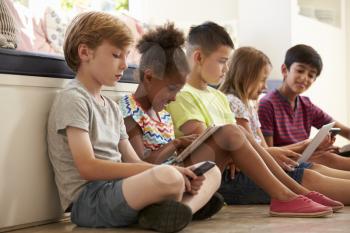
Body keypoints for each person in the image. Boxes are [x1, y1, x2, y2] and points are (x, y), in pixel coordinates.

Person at [47, 11, 217, 233]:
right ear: (85, 52)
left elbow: (134, 160)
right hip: (89, 200)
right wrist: (168, 174)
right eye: (117, 55)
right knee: (168, 177)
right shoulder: (73, 99)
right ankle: (179, 205)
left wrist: (177, 172)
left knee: (211, 171)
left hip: (117, 189)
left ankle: (175, 211)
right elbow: (88, 168)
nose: (125, 65)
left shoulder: (110, 106)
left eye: (127, 56)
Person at [161, 21, 341, 217]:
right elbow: (202, 140)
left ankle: (298, 193)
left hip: (231, 169)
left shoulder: (219, 97)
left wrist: (237, 151)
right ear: (198, 57)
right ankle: (285, 197)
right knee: (232, 132)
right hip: (209, 172)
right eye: (222, 61)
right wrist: (233, 151)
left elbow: (238, 141)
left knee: (237, 133)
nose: (226, 68)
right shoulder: (182, 94)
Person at [219, 46, 350, 205]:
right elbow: (263, 151)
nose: (265, 87)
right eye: (262, 80)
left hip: (281, 160)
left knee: (322, 161)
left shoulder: (252, 107)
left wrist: (308, 146)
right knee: (314, 169)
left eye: (311, 75)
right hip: (274, 164)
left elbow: (263, 149)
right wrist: (305, 146)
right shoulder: (258, 104)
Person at [118, 23, 224, 221]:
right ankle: (186, 205)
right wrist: (176, 143)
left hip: (173, 175)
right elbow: (141, 163)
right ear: (149, 77)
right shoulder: (128, 110)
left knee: (212, 169)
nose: (174, 98)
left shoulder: (164, 114)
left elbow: (170, 160)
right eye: (172, 89)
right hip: (150, 179)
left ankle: (179, 210)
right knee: (174, 178)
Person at [258, 44, 350, 171]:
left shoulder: (307, 105)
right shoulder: (267, 105)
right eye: (300, 71)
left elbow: (343, 129)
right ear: (285, 70)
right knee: (329, 159)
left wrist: (316, 148)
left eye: (311, 75)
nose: (304, 78)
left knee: (334, 155)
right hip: (285, 164)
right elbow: (269, 153)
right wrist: (309, 146)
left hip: (306, 158)